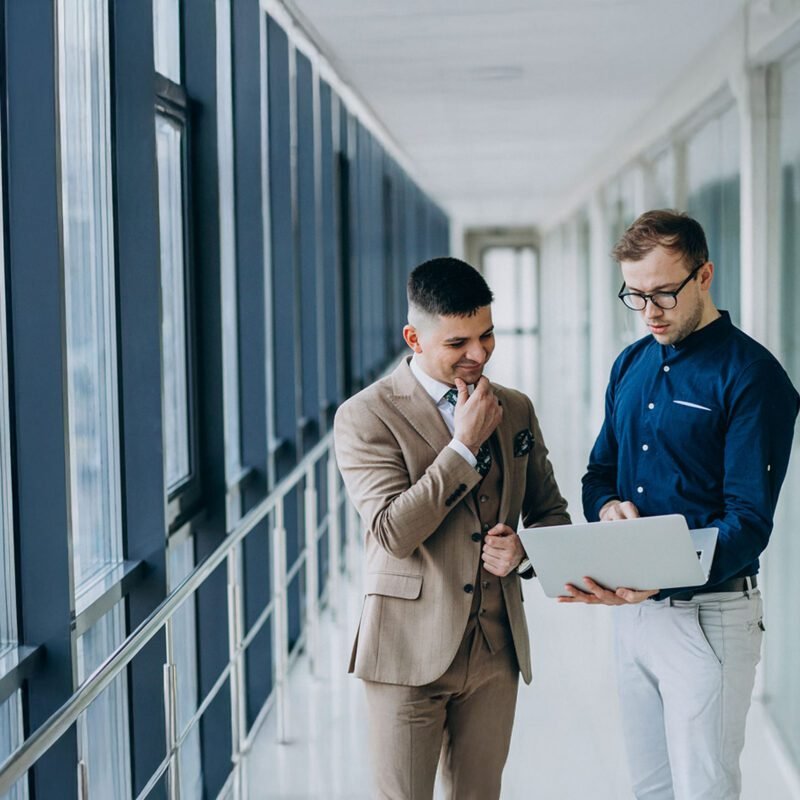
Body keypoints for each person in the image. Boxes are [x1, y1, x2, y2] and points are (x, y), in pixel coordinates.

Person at [571, 210, 799, 799]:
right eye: (636, 295)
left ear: (705, 276)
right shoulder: (631, 364)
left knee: (705, 791)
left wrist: (661, 573)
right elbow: (598, 474)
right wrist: (609, 508)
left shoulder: (754, 377)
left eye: (665, 293)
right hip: (634, 618)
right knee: (651, 791)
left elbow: (749, 522)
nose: (650, 312)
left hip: (710, 622)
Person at [334, 257, 570, 800]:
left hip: (494, 654)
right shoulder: (365, 416)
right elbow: (393, 531)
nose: (479, 354)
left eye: (487, 336)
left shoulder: (514, 409)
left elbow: (551, 511)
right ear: (414, 338)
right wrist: (462, 447)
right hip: (405, 653)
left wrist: (526, 551)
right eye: (457, 342)